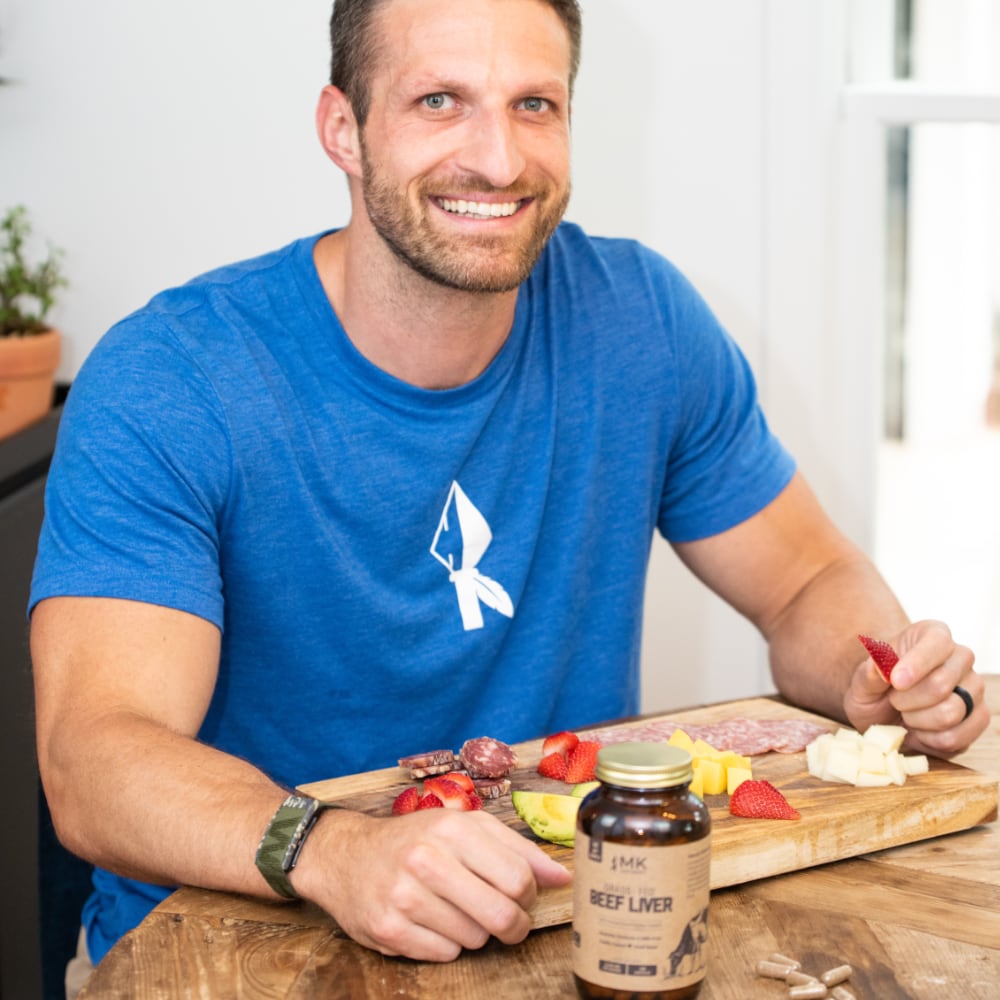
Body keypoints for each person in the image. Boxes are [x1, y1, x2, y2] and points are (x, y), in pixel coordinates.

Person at [31, 0, 989, 985]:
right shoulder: (173, 374)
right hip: (225, 946)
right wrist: (333, 848)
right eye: (439, 100)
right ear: (341, 128)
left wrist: (873, 673)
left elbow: (805, 581)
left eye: (534, 104)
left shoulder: (641, 321)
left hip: (560, 928)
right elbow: (96, 758)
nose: (497, 159)